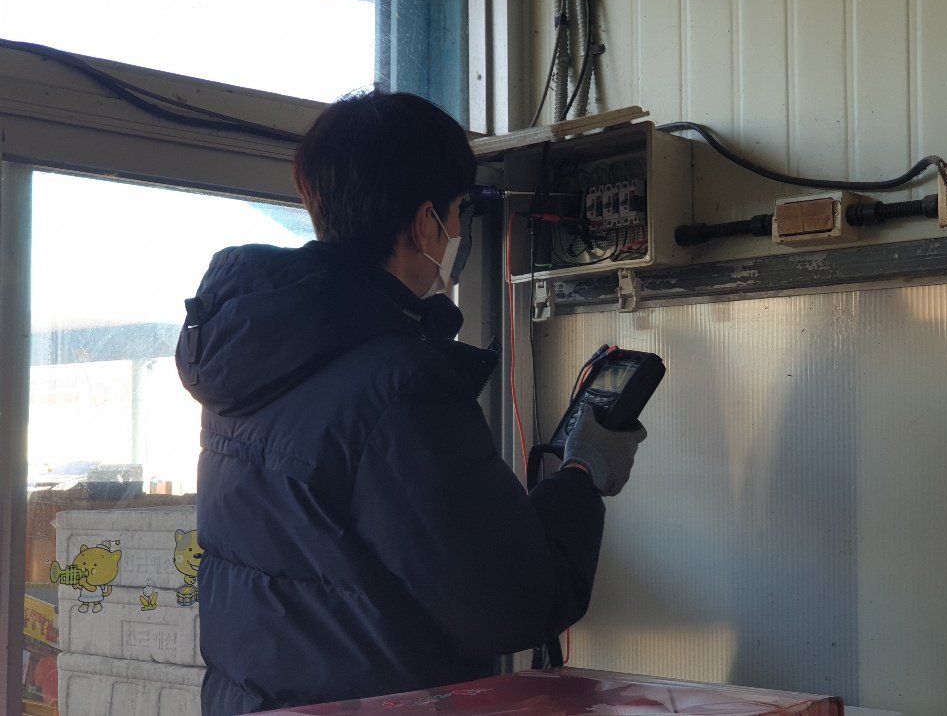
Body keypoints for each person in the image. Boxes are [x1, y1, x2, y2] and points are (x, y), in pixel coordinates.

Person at [176, 90, 647, 715]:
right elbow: (510, 606)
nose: (455, 234)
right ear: (426, 223)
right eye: (457, 213)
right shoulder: (403, 384)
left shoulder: (252, 355)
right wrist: (584, 474)